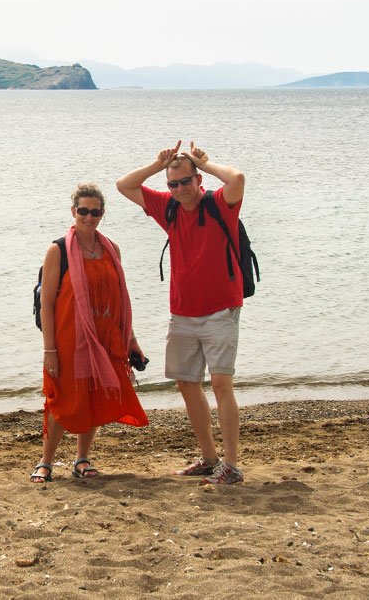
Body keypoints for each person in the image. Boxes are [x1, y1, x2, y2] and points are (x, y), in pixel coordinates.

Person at [115, 140, 246, 485]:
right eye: (172, 184)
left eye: (185, 181)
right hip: (183, 313)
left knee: (220, 382)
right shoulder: (167, 207)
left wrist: (206, 163)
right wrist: (158, 166)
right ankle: (208, 458)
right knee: (187, 383)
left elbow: (237, 179)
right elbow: (124, 185)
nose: (178, 189)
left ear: (198, 181)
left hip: (221, 310)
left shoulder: (219, 204)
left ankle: (230, 466)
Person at [31, 183, 149, 483]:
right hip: (69, 337)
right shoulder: (58, 250)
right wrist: (49, 350)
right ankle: (46, 462)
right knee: (62, 399)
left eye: (95, 212)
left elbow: (120, 300)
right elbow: (46, 304)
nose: (89, 217)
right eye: (83, 211)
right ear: (73, 211)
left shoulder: (112, 249)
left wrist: (131, 339)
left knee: (93, 397)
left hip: (106, 336)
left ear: (102, 214)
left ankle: (82, 458)